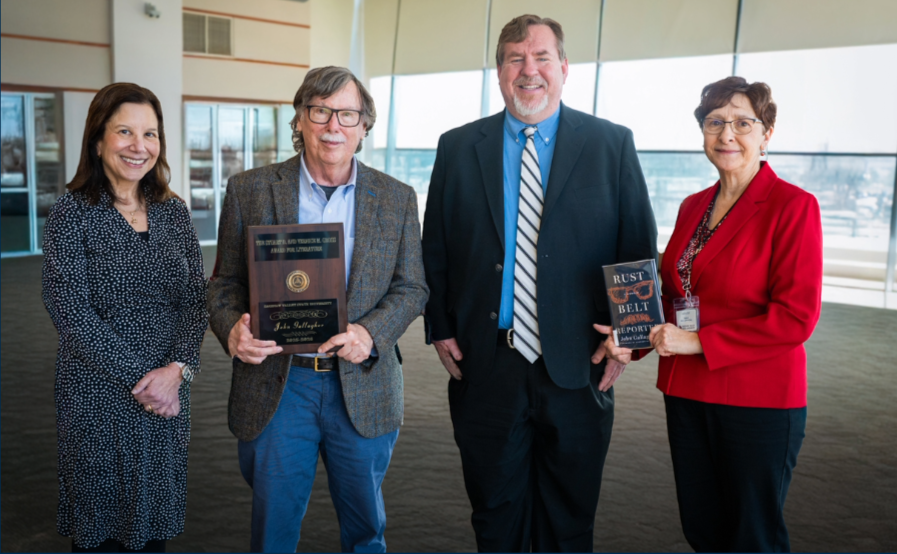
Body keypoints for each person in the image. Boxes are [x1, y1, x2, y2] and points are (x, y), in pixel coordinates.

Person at [421, 15, 657, 553]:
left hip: (582, 362)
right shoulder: (458, 147)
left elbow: (637, 252)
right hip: (487, 362)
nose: (529, 71)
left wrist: (632, 337)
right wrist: (439, 328)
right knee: (494, 513)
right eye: (515, 58)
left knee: (569, 516)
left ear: (564, 68)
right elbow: (435, 246)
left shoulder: (610, 144)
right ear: (499, 71)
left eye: (542, 57)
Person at [206, 66, 428, 553]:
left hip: (362, 382)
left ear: (364, 126)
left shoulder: (396, 199)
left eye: (347, 115)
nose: (334, 126)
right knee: (273, 531)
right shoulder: (250, 189)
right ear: (301, 119)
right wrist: (231, 332)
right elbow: (223, 283)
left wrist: (370, 333)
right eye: (321, 111)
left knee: (366, 531)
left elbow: (413, 287)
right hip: (279, 385)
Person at [642, 77, 822, 551]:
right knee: (703, 528)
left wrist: (697, 342)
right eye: (714, 122)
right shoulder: (692, 206)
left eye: (743, 123)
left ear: (767, 133)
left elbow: (795, 317)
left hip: (757, 399)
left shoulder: (793, 206)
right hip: (687, 390)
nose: (727, 135)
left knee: (752, 536)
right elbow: (675, 293)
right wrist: (634, 334)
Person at [41, 83, 208, 552]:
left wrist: (178, 370)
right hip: (99, 392)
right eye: (125, 132)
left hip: (169, 394)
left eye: (150, 133)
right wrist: (148, 380)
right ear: (98, 140)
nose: (140, 146)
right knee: (102, 526)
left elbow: (196, 299)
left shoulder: (173, 212)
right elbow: (72, 314)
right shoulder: (71, 214)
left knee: (153, 524)